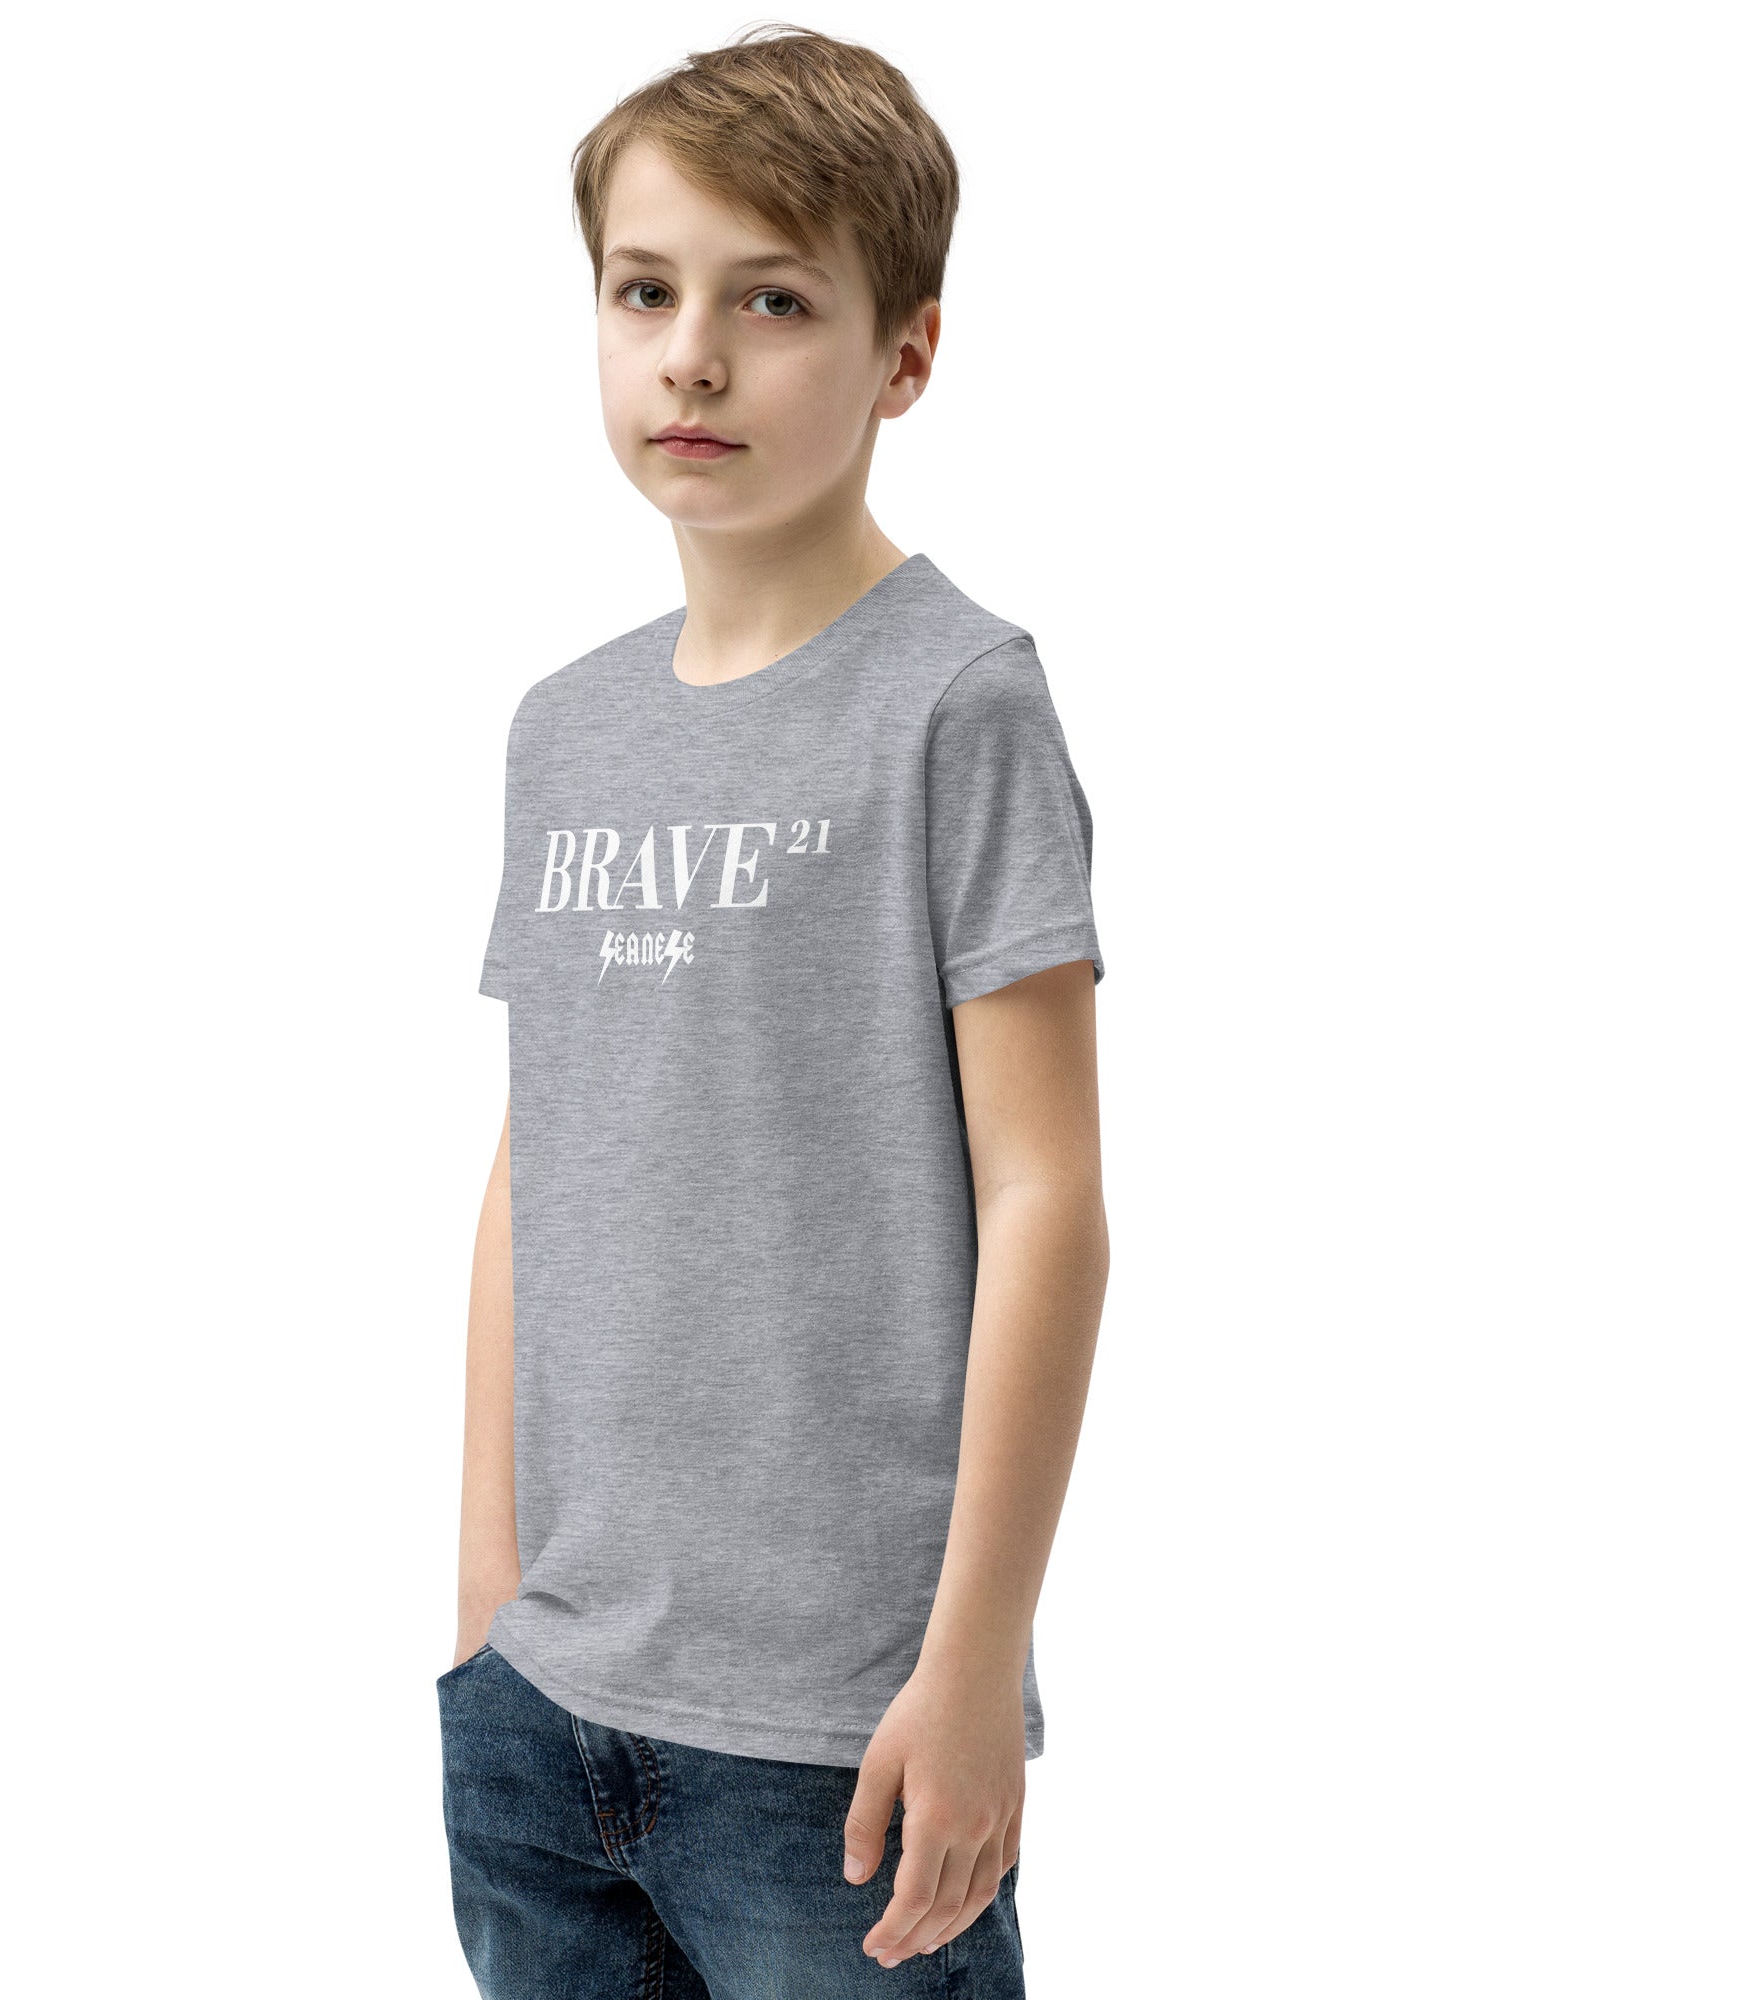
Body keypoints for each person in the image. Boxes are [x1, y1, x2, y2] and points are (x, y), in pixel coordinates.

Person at [440, 26, 1109, 1995]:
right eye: (644, 292)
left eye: (773, 301)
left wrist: (972, 1668)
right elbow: (535, 1159)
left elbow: (1050, 1201)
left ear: (906, 354)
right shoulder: (565, 729)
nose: (692, 359)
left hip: (838, 1744)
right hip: (540, 1717)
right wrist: (486, 1607)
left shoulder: (957, 700)